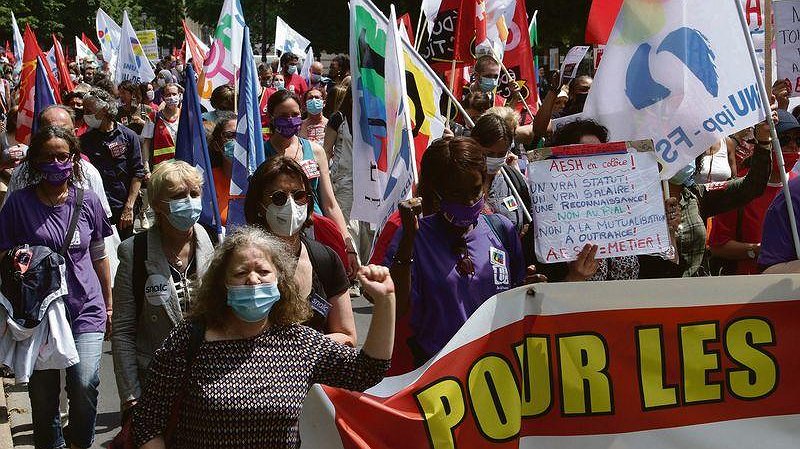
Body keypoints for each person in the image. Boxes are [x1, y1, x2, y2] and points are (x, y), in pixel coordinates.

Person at [132, 226, 394, 448]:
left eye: (263, 272)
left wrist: (385, 302)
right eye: (240, 273)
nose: (253, 280)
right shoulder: (190, 339)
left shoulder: (300, 343)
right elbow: (147, 422)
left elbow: (367, 371)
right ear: (223, 284)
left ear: (280, 281)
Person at [0, 126, 114, 449]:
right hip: (39, 316)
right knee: (43, 393)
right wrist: (20, 257)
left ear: (73, 159)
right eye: (47, 156)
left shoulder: (88, 201)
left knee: (85, 381)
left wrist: (108, 304)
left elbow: (100, 256)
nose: (55, 163)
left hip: (86, 308)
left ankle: (80, 442)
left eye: (62, 156)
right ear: (35, 161)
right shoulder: (18, 204)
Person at [384, 137, 544, 366]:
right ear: (437, 192)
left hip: (499, 365)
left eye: (475, 190)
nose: (469, 202)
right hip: (437, 373)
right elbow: (396, 308)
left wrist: (528, 288)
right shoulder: (414, 236)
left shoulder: (501, 229)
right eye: (457, 195)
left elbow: (515, 301)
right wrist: (409, 239)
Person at [112, 160, 214, 412]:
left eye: (194, 194)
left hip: (210, 381)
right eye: (179, 196)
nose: (189, 201)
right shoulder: (133, 252)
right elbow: (123, 330)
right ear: (158, 204)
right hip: (156, 384)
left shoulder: (214, 243)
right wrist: (130, 397)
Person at [639, 114, 775, 278]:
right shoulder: (635, 203)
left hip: (700, 296)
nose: (683, 156)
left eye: (688, 150)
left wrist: (763, 140)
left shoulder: (696, 195)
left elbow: (753, 186)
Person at [244, 156, 357, 346]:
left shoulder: (325, 259)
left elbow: (347, 336)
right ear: (259, 206)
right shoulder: (240, 264)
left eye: (299, 196)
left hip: (318, 372)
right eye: (279, 198)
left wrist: (301, 353)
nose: (291, 205)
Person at [265, 89, 359, 276]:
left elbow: (330, 204)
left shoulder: (315, 151)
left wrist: (347, 242)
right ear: (272, 117)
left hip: (314, 232)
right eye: (283, 115)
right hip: (275, 235)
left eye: (295, 115)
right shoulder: (261, 152)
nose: (290, 120)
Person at [709, 111, 800, 275]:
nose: (793, 146)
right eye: (785, 139)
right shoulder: (741, 190)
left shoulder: (796, 189)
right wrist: (757, 250)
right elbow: (718, 247)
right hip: (747, 289)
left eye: (798, 140)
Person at [81, 88, 146, 240]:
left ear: (104, 110)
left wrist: (129, 207)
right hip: (96, 210)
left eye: (88, 110)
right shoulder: (84, 142)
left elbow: (138, 173)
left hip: (123, 209)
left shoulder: (128, 136)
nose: (85, 114)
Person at [470, 109, 531, 233]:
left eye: (501, 154)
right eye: (490, 153)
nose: (495, 158)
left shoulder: (515, 181)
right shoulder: (459, 179)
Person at [142, 83, 183, 169]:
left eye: (174, 94)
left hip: (182, 167)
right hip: (161, 169)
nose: (171, 97)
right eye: (168, 95)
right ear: (163, 98)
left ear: (179, 96)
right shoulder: (153, 116)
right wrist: (146, 167)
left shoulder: (185, 115)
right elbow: (146, 143)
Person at [208, 111, 238, 226]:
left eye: (241, 135)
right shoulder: (207, 180)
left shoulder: (256, 179)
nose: (237, 141)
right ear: (216, 146)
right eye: (230, 136)